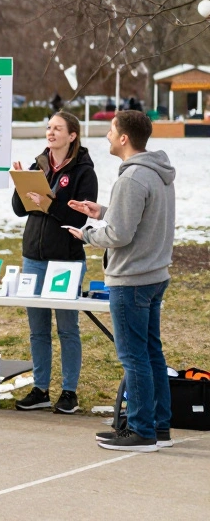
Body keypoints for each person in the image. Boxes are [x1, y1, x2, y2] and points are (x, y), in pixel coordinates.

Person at [68, 111, 177, 453]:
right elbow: (137, 219)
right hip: (154, 275)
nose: (107, 137)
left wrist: (87, 235)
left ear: (124, 138)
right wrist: (101, 211)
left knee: (134, 358)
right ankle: (159, 426)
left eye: (111, 131)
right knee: (151, 354)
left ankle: (141, 431)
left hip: (131, 279)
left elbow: (119, 235)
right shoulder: (158, 173)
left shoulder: (131, 179)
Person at [10, 112, 97, 415]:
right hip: (33, 256)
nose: (51, 132)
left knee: (67, 328)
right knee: (37, 329)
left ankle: (69, 392)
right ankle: (40, 389)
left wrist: (47, 204)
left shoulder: (84, 172)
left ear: (72, 135)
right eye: (49, 127)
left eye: (57, 128)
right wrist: (21, 183)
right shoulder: (40, 165)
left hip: (66, 259)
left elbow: (79, 217)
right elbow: (20, 210)